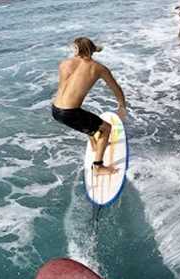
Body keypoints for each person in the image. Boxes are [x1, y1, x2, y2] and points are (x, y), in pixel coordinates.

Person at [52, 37, 127, 175]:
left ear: (76, 49)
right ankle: (98, 167)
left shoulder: (64, 64)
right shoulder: (98, 68)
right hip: (70, 113)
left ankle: (94, 144)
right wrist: (122, 106)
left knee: (85, 118)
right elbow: (115, 88)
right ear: (91, 50)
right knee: (106, 128)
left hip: (56, 109)